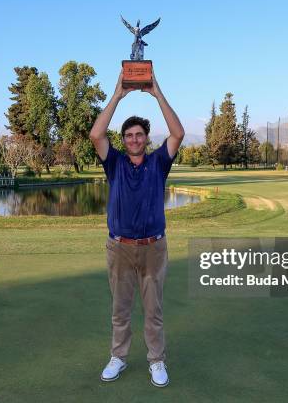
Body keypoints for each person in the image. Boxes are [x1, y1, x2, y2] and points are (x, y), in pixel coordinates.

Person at [89, 69, 185, 388]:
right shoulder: (113, 163)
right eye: (129, 135)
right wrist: (118, 94)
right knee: (121, 309)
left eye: (139, 135)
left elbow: (178, 133)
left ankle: (156, 361)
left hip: (154, 249)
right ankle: (118, 356)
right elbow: (95, 135)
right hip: (119, 247)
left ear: (146, 138)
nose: (134, 139)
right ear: (124, 140)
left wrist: (157, 93)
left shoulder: (159, 162)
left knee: (153, 310)